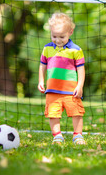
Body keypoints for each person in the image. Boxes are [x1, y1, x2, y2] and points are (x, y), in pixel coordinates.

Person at [38, 13, 86, 145]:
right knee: (53, 113)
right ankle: (57, 136)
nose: (58, 40)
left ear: (70, 32)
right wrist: (41, 81)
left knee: (77, 112)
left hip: (71, 91)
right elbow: (42, 65)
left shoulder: (76, 50)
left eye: (62, 37)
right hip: (53, 90)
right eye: (54, 36)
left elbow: (81, 69)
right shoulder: (47, 48)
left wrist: (80, 86)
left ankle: (77, 135)